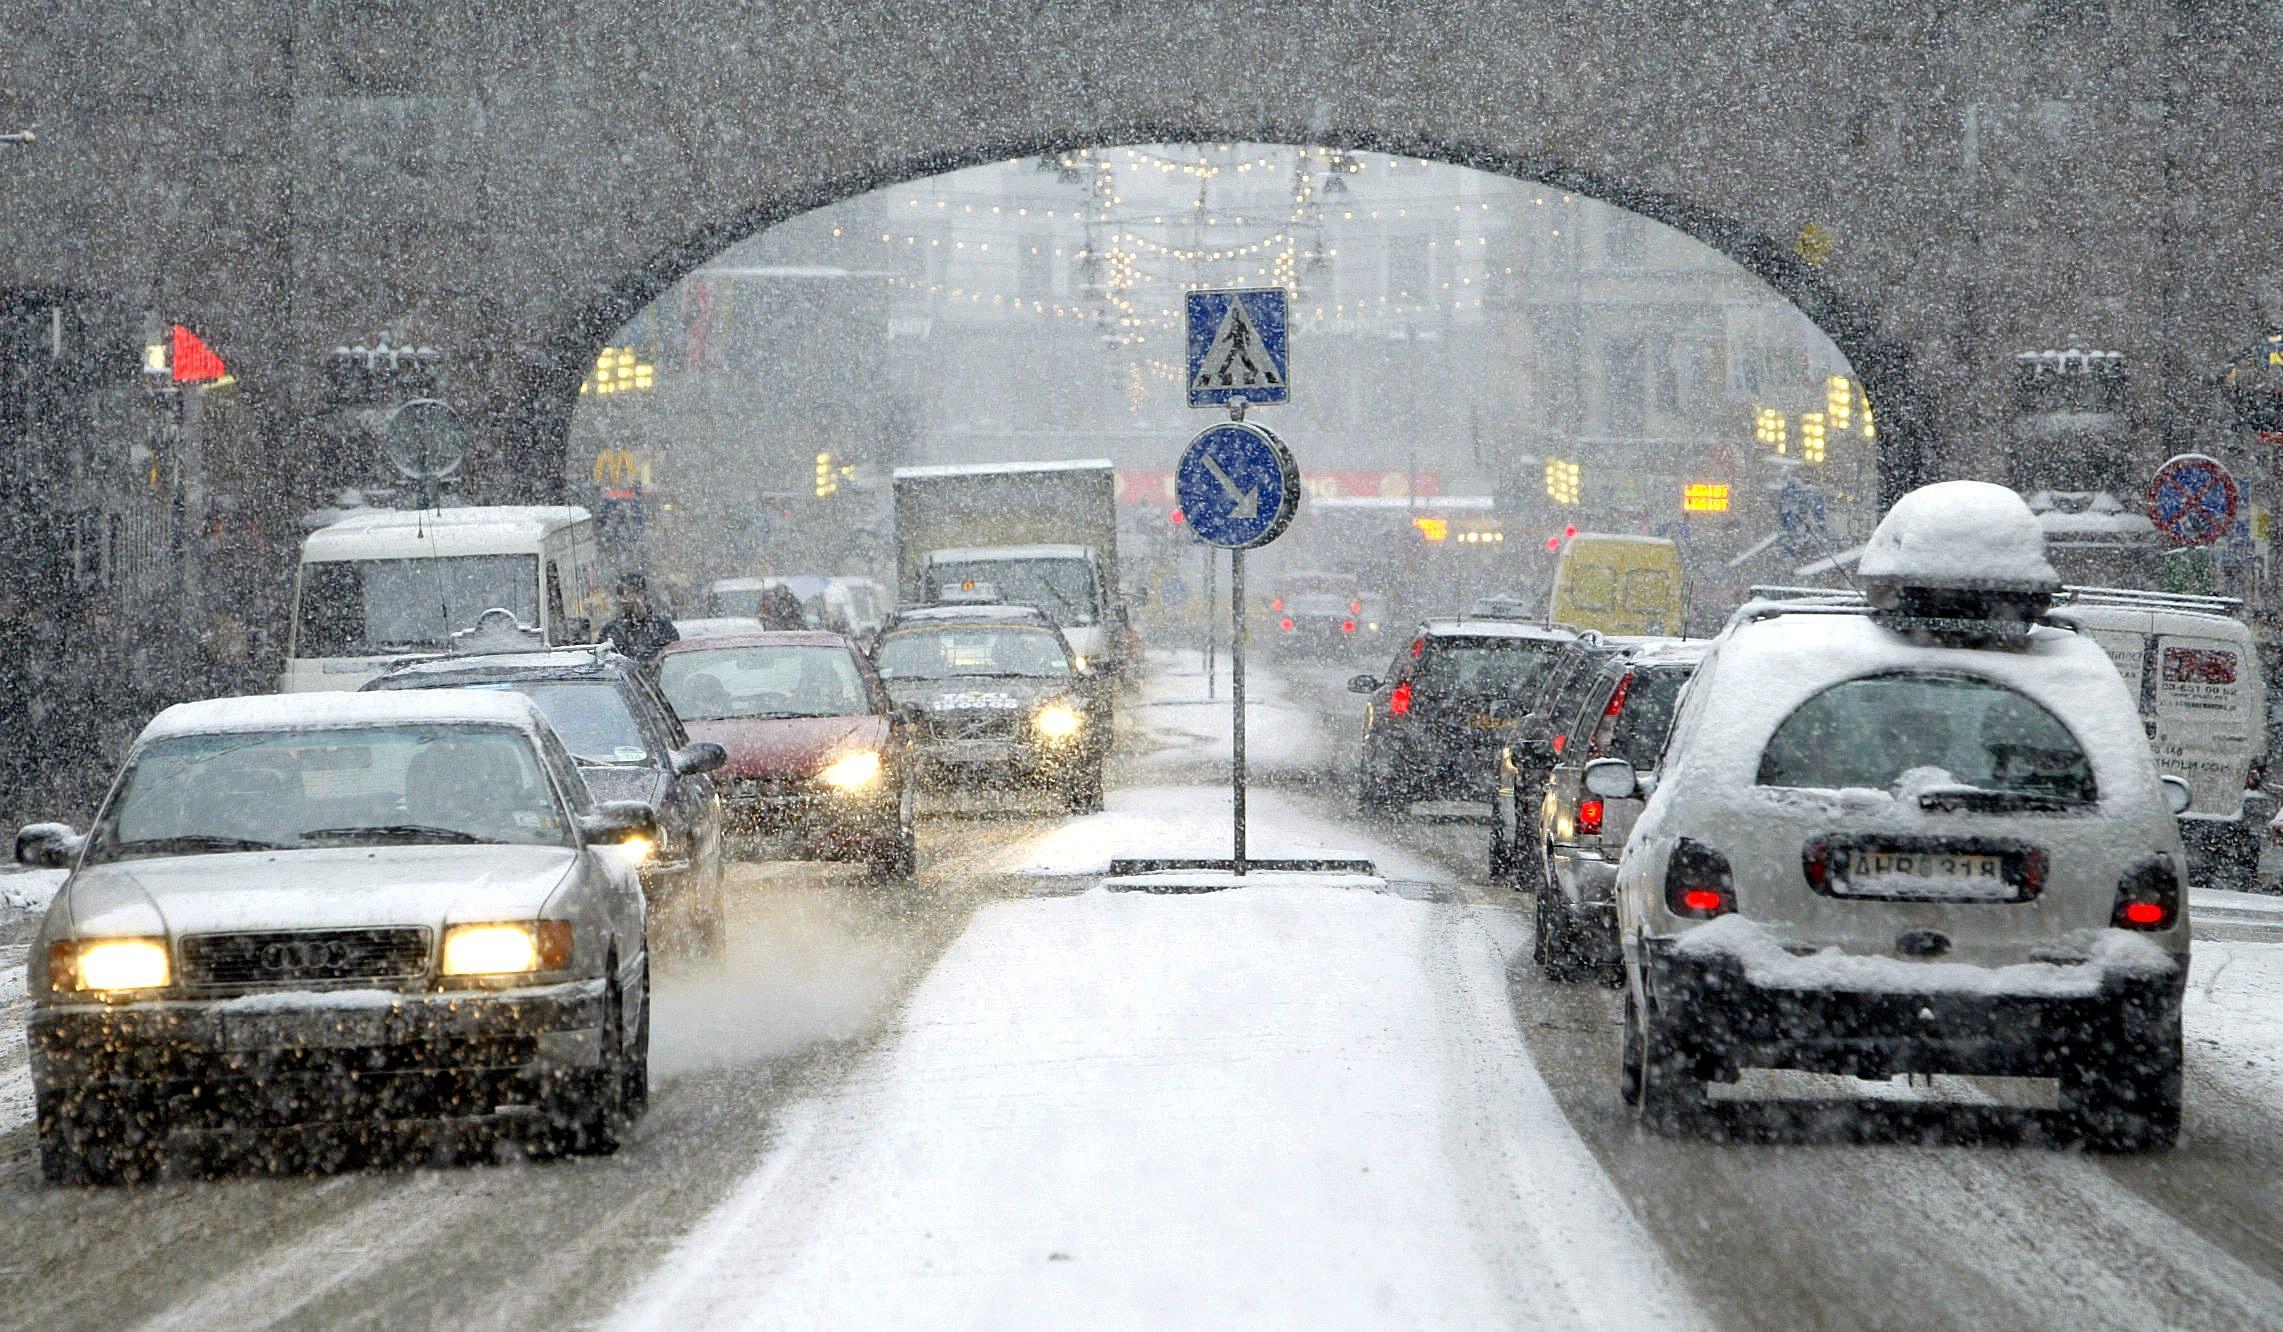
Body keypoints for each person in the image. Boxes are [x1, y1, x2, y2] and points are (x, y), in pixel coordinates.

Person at [600, 573, 680, 667]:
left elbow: (675, 656)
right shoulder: (611, 630)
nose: (624, 601)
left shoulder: (663, 627)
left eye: (629, 594)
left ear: (643, 595)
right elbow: (604, 660)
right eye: (621, 595)